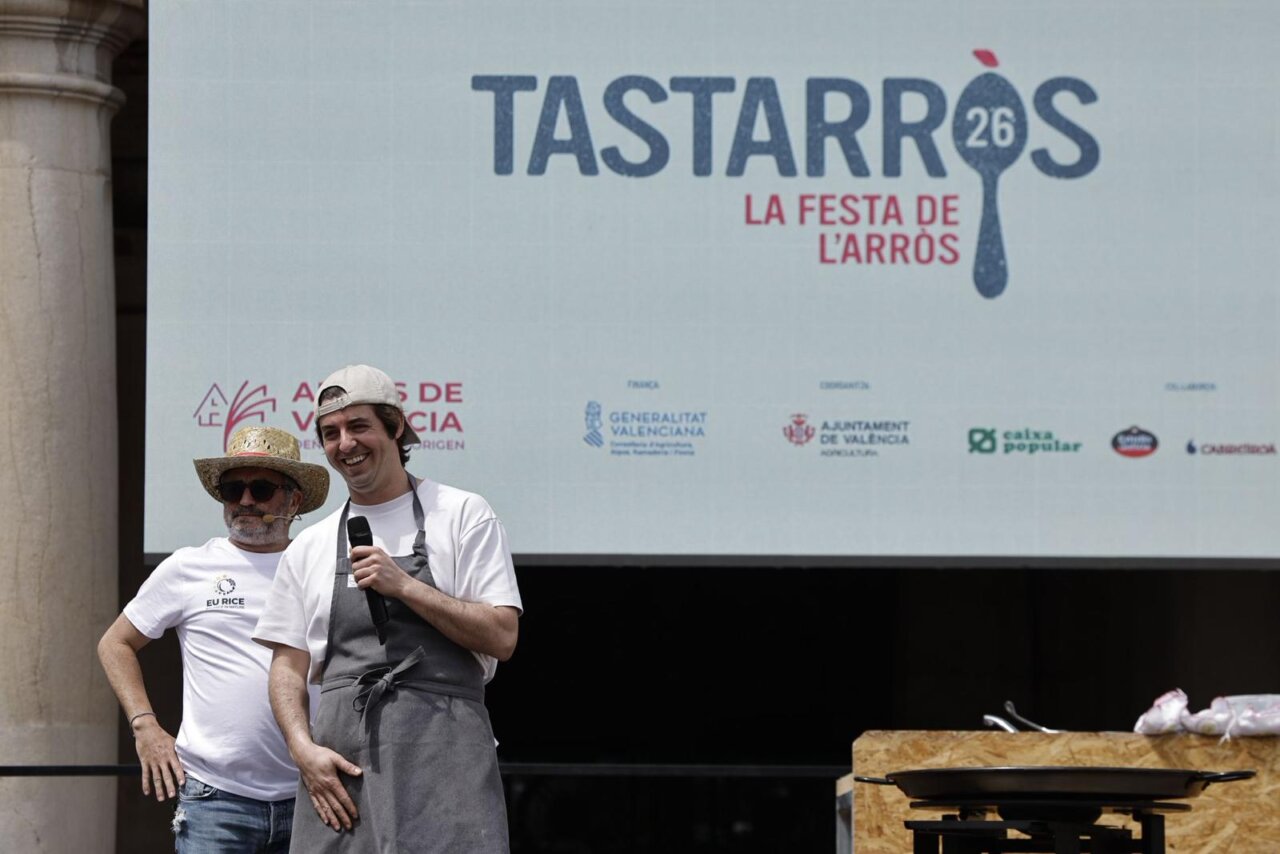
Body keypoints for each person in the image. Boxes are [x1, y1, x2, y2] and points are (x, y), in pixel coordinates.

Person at [253, 364, 523, 852]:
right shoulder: (309, 545)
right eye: (331, 433)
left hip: (445, 758)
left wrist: (405, 586)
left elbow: (502, 636)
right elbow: (287, 667)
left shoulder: (462, 513)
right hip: (343, 773)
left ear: (396, 427)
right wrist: (302, 750)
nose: (346, 444)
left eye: (359, 426)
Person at [98, 425, 330, 853]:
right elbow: (115, 643)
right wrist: (144, 725)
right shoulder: (190, 566)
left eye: (260, 488)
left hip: (312, 796)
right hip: (215, 801)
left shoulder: (320, 568)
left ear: (294, 501)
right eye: (231, 488)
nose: (244, 501)